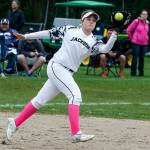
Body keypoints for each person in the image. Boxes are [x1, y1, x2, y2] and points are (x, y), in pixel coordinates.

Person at [6, 10, 117, 143]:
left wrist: (115, 34)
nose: (91, 22)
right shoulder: (69, 29)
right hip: (57, 66)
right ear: (82, 21)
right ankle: (76, 133)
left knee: (39, 101)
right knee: (75, 96)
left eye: (94, 20)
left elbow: (105, 49)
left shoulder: (93, 41)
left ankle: (15, 123)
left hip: (67, 72)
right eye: (89, 19)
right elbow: (48, 32)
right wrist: (25, 36)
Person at [127, 9, 149, 76]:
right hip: (136, 43)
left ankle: (141, 73)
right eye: (143, 14)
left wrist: (147, 39)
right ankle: (133, 73)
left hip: (144, 44)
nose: (144, 16)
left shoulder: (148, 23)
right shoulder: (136, 21)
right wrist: (132, 39)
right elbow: (128, 30)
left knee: (142, 59)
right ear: (140, 15)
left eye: (146, 14)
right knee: (135, 58)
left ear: (147, 16)